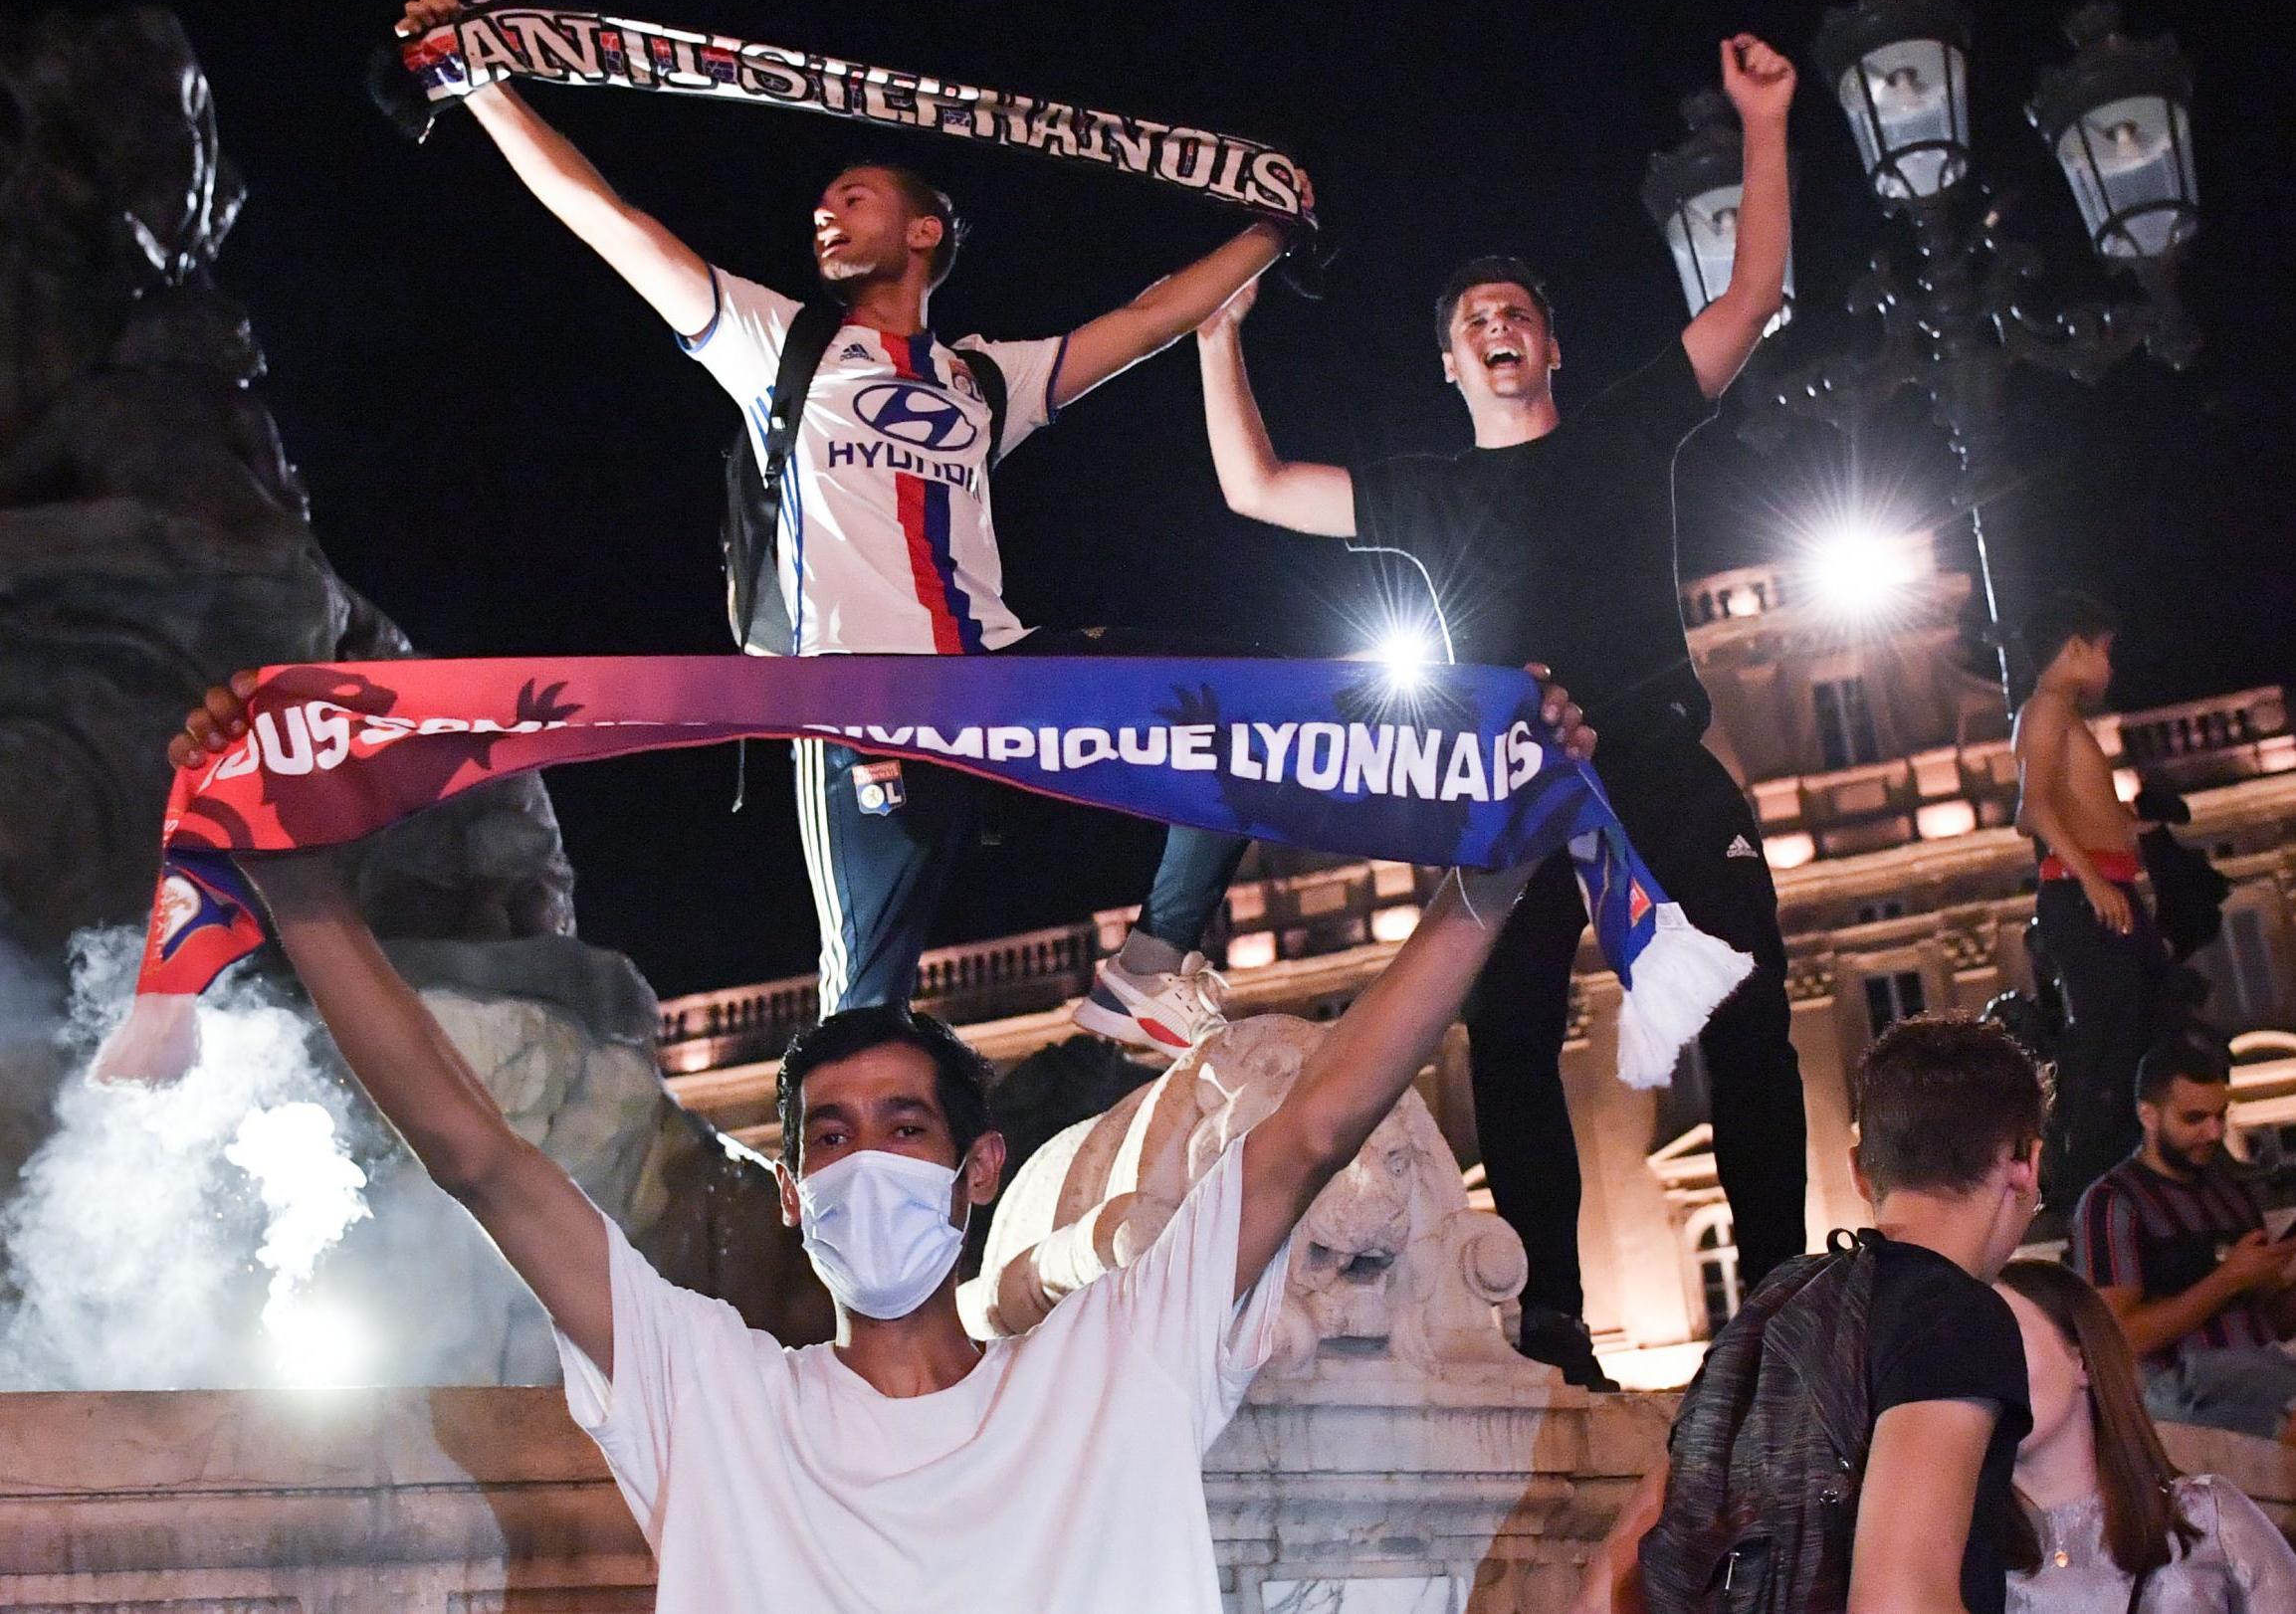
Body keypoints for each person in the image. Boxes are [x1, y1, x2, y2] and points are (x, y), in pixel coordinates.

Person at [167, 665, 1593, 1614]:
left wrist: (1491, 878)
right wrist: (296, 885)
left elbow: (1312, 1125)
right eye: (829, 1137)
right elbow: (476, 1149)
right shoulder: (710, 1391)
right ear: (790, 1196)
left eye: (902, 1124)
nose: (863, 1162)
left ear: (976, 1173)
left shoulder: (1119, 1356)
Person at [395, 0, 1293, 1060]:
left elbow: (1146, 324)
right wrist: (483, 83)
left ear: (924, 232)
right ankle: (835, 1196)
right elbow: (608, 219)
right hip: (867, 706)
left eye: (852, 198)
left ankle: (1149, 968)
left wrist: (1277, 227)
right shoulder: (776, 342)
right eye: (821, 206)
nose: (825, 216)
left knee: (1248, 707)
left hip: (1002, 678)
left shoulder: (979, 377)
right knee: (863, 1020)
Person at [1193, 33, 1804, 1385]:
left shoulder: (1624, 426)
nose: (1494, 323)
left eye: (1513, 309)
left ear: (1547, 343)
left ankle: (1774, 1301)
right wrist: (1214, 334)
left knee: (1748, 1011)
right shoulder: (1425, 492)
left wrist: (1761, 119)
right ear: (1451, 364)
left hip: (1650, 749)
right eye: (1471, 318)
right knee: (1510, 1038)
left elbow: (1752, 289)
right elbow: (1251, 483)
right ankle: (1551, 1324)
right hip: (1521, 788)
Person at [1572, 1012, 2046, 1614]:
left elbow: (1608, 1581)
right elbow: (1900, 1601)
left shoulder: (1779, 1307)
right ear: (2025, 1162)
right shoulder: (1954, 1317)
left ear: (1858, 1171)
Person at [1997, 1259, 2296, 1613]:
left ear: (2082, 1361)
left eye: (2001, 1340)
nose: (1977, 1372)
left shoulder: (2207, 1518)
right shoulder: (1952, 1556)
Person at [2013, 590, 2185, 1205]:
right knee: (2112, 1041)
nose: (2111, 666)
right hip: (2086, 896)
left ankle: (2151, 1164)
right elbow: (2031, 811)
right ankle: (2094, 1179)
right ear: (2077, 647)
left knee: (2155, 1023)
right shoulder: (2044, 712)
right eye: (2106, 651)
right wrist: (2089, 878)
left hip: (2108, 888)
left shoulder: (2061, 716)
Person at [2070, 1038, 2296, 1444]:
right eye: (2194, 1119)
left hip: (2260, 1367)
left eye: (2220, 1116)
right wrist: (2228, 1278)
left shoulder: (2230, 1194)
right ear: (2148, 1115)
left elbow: (2273, 1319)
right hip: (2183, 1386)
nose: (2213, 1133)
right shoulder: (2113, 1202)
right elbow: (2121, 1337)